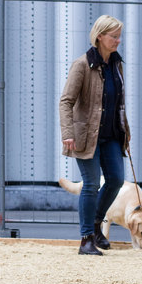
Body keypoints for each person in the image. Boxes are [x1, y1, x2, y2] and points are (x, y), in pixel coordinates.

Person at [59, 15, 130, 255]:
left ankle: (97, 224)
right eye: (114, 36)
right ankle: (86, 239)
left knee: (116, 180)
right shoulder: (82, 64)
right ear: (99, 36)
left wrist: (125, 133)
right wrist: (68, 133)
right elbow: (66, 101)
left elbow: (118, 102)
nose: (118, 41)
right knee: (90, 184)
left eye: (119, 36)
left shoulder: (116, 64)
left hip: (111, 135)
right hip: (85, 136)